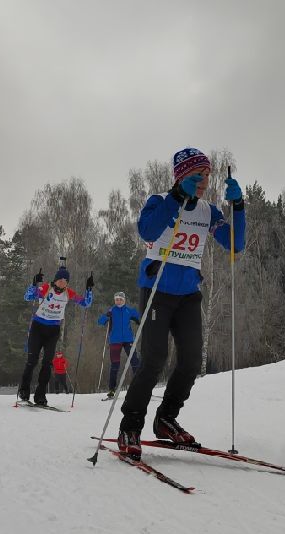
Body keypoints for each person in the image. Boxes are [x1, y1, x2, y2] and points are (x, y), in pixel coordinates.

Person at [116, 147, 245, 461]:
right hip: (157, 289)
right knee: (154, 359)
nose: (204, 181)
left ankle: (166, 419)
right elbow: (147, 230)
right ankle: (130, 425)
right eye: (198, 175)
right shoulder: (160, 200)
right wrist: (177, 196)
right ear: (182, 176)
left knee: (191, 361)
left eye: (207, 175)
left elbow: (235, 245)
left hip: (188, 294)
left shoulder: (209, 211)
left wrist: (239, 206)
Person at [18, 264, 93, 405]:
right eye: (60, 280)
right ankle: (24, 391)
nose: (63, 283)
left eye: (65, 281)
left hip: (53, 330)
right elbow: (28, 297)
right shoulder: (46, 288)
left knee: (47, 363)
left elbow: (86, 303)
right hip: (38, 328)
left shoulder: (68, 293)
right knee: (32, 361)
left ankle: (40, 395)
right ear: (55, 280)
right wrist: (34, 284)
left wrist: (89, 290)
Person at [97, 291, 142, 398]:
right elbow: (100, 321)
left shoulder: (129, 310)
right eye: (117, 299)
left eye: (120, 299)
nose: (118, 301)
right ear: (114, 300)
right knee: (115, 365)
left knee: (134, 361)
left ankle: (140, 386)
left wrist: (138, 320)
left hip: (128, 339)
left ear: (124, 300)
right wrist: (106, 316)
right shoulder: (111, 311)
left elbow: (140, 317)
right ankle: (112, 389)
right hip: (115, 340)